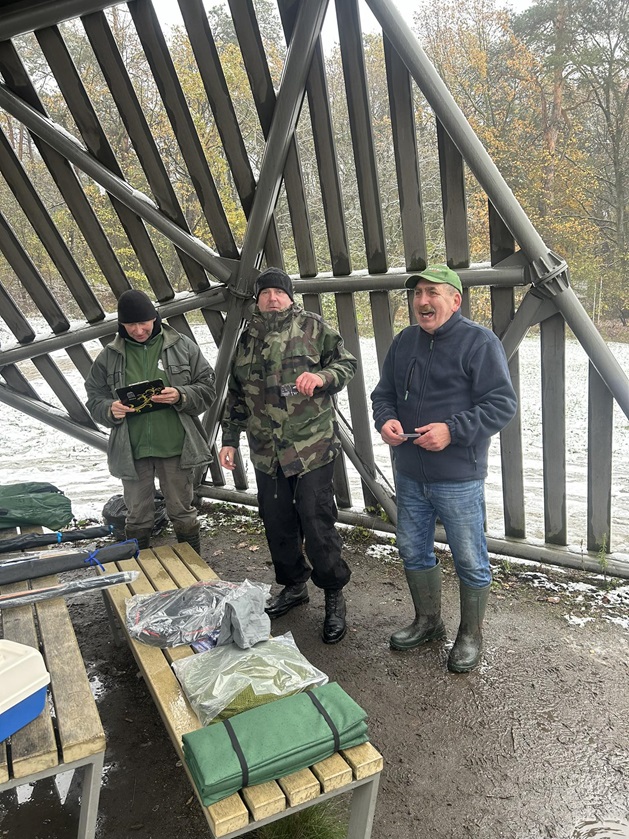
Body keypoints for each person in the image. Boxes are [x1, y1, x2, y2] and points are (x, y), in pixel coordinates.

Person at [371, 265, 517, 672]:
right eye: (417, 293)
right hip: (409, 472)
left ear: (455, 300)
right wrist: (385, 420)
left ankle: (470, 634)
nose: (422, 301)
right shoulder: (404, 342)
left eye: (432, 292)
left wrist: (452, 431)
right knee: (412, 548)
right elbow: (383, 394)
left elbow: (501, 404)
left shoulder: (479, 342)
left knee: (469, 557)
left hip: (458, 477)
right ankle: (428, 622)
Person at [219, 267, 357, 644]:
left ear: (290, 297)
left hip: (311, 447)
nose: (272, 298)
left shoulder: (313, 327)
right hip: (267, 452)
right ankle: (294, 586)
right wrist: (229, 439)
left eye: (279, 292)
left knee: (316, 520)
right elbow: (236, 394)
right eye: (265, 293)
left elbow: (346, 364)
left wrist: (323, 378)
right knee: (277, 522)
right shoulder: (246, 339)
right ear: (258, 300)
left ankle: (333, 593)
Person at [85, 289, 215, 553]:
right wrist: (110, 409)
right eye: (130, 324)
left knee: (182, 512)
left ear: (155, 317)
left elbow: (208, 389)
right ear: (121, 324)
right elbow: (94, 397)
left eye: (143, 322)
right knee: (137, 516)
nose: (138, 330)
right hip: (132, 449)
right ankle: (140, 567)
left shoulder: (183, 346)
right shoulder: (109, 355)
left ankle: (193, 565)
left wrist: (181, 394)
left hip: (176, 447)